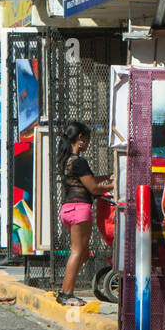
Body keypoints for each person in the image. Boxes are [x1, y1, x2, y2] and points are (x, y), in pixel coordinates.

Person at [56, 121, 112, 307]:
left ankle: (66, 288)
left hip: (67, 209)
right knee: (78, 252)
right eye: (87, 140)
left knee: (83, 254)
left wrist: (107, 178)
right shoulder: (79, 161)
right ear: (80, 138)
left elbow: (88, 180)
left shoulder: (67, 161)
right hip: (80, 209)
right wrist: (117, 185)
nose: (88, 144)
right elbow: (94, 188)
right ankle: (66, 294)